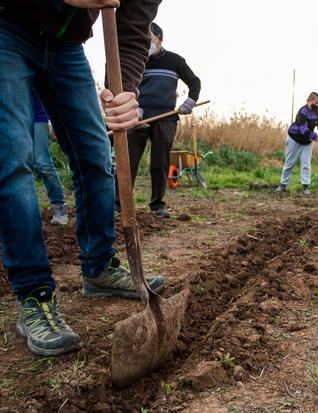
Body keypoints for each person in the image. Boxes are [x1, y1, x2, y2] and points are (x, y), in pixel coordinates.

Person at [0, 0, 164, 357]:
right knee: (13, 161)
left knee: (95, 156)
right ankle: (34, 295)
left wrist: (125, 93)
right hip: (8, 25)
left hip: (66, 45)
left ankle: (99, 266)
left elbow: (133, 30)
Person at [121, 22, 202, 219]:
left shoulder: (175, 61)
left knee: (160, 162)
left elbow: (194, 82)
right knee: (128, 162)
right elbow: (123, 86)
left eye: (148, 38)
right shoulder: (135, 61)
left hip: (165, 118)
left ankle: (157, 205)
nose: (144, 43)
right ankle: (121, 205)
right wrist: (131, 107)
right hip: (137, 118)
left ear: (159, 39)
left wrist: (189, 103)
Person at [275, 92, 318, 195]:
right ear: (309, 101)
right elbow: (303, 129)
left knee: (306, 164)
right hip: (294, 138)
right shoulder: (302, 112)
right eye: (316, 102)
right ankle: (282, 185)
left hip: (307, 141)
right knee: (290, 163)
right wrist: (317, 137)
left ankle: (305, 187)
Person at [32, 93, 69, 225]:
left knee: (43, 163)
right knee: (20, 166)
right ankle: (28, 214)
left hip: (37, 116)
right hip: (14, 118)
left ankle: (59, 205)